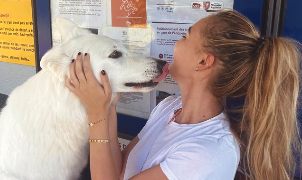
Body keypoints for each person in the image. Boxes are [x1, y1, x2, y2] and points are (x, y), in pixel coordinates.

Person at [65, 10, 301, 180]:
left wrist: (97, 115)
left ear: (203, 62)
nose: (176, 44)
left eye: (185, 36)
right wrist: (108, 105)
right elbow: (118, 171)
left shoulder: (207, 152)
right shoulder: (169, 107)